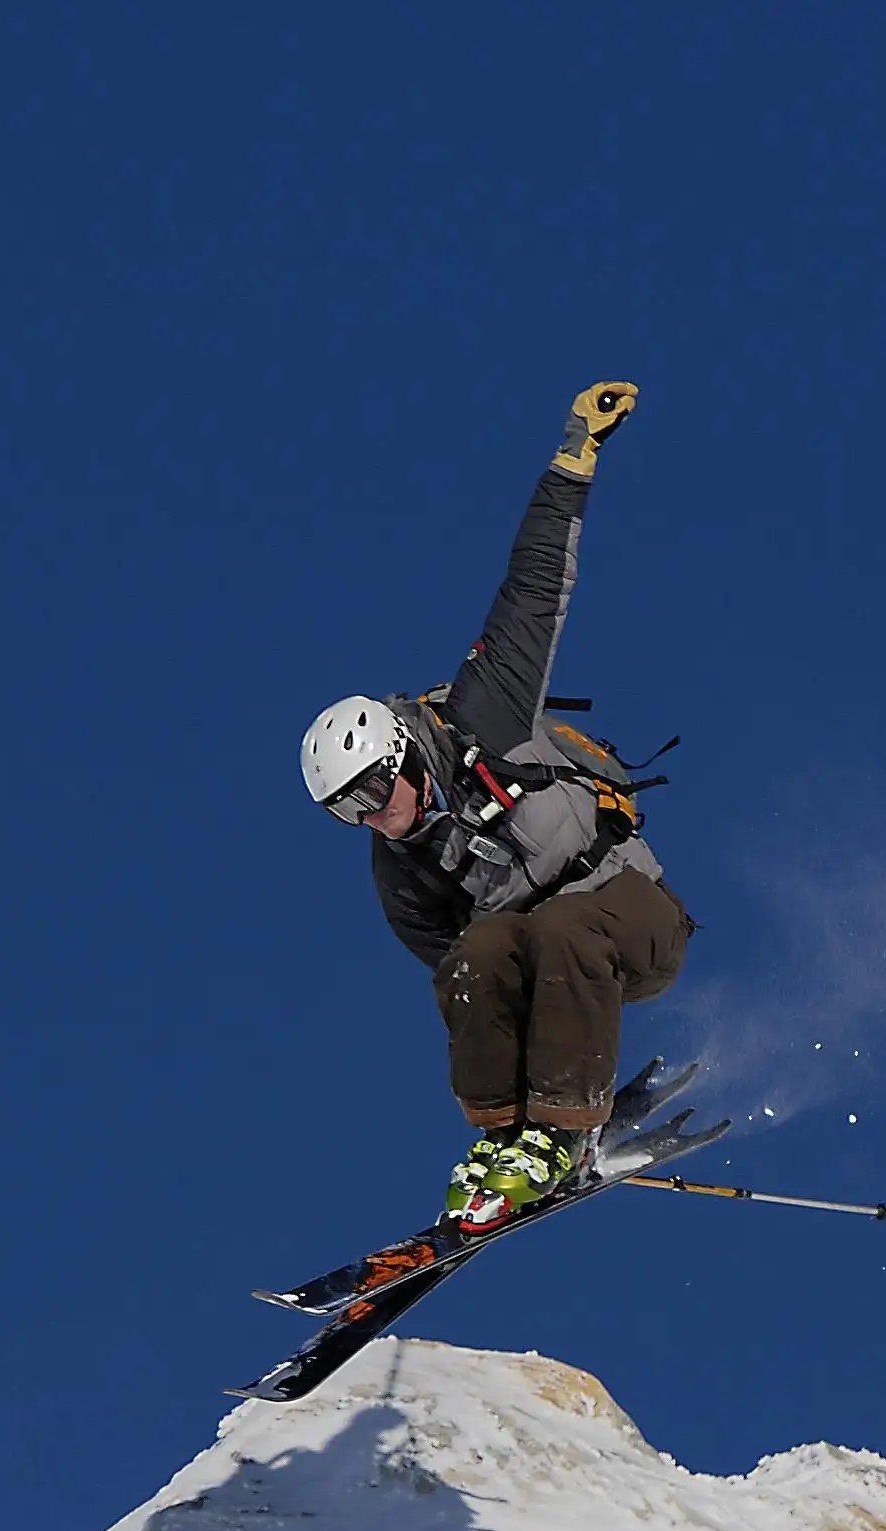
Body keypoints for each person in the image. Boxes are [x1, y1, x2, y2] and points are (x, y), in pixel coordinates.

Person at [299, 381, 692, 1230]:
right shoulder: (398, 867)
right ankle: (503, 1141)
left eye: (373, 788)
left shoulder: (485, 715)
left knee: (557, 929)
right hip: (559, 981)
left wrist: (574, 455)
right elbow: (465, 977)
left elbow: (535, 589)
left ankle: (560, 1136)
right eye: (346, 811)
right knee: (479, 956)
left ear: (401, 753)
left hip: (636, 917)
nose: (373, 814)